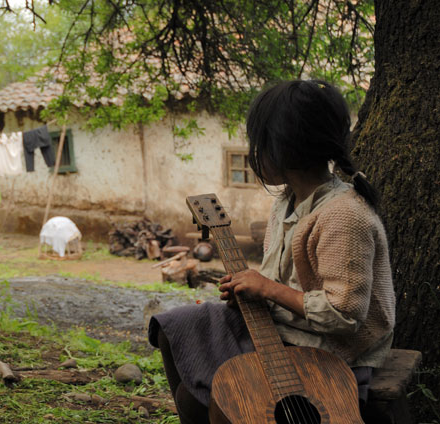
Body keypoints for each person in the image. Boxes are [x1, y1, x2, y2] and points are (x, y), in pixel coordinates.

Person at [148, 80, 395, 423]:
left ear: (285, 147)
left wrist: (269, 290)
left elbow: (345, 316)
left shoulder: (345, 216)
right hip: (286, 323)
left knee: (191, 400)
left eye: (258, 142)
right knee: (172, 326)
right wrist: (251, 289)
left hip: (333, 346)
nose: (253, 152)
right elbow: (275, 278)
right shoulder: (286, 201)